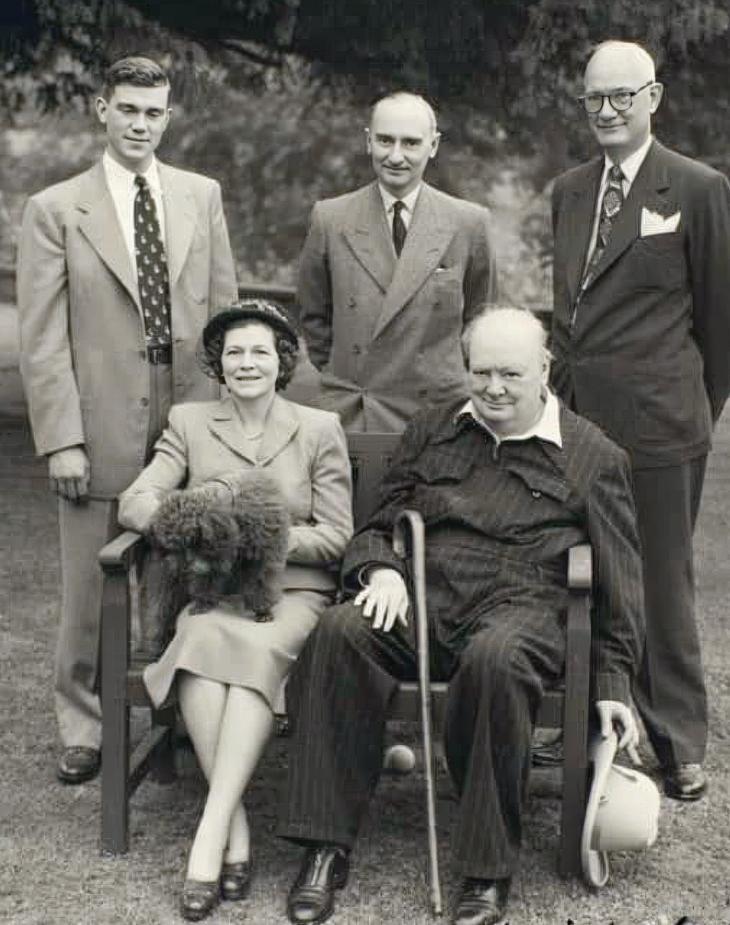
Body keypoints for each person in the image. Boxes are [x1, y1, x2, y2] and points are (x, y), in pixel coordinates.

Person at [279, 306, 644, 925]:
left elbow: (619, 581)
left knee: (496, 662)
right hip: (425, 596)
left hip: (523, 606)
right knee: (340, 632)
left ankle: (486, 871)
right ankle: (324, 845)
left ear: (544, 369)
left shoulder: (593, 456)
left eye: (511, 374)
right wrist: (381, 570)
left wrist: (612, 681)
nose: (494, 388)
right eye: (481, 373)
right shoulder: (434, 428)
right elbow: (378, 524)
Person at [16, 54, 238, 786]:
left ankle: (179, 716)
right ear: (102, 110)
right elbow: (42, 339)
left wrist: (226, 421)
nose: (141, 124)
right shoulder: (56, 208)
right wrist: (63, 440)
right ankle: (85, 723)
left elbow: (225, 315)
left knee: (187, 577)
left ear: (168, 116)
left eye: (154, 112)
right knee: (91, 585)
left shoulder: (200, 196)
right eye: (129, 110)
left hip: (188, 406)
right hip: (100, 411)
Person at [118, 300, 353, 921]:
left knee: (248, 650)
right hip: (214, 592)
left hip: (292, 594)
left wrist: (262, 534)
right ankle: (236, 827)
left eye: (260, 352)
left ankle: (210, 831)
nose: (247, 363)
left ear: (282, 362)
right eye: (234, 353)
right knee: (199, 642)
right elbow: (135, 502)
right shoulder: (190, 421)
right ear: (218, 364)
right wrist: (196, 519)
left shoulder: (318, 428)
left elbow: (336, 535)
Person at [551, 40, 730, 801]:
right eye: (594, 97)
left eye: (622, 95)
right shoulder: (568, 190)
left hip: (662, 423)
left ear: (653, 97)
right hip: (575, 421)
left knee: (659, 581)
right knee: (573, 568)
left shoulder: (697, 186)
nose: (607, 110)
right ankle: (578, 716)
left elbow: (720, 321)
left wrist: (690, 408)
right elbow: (570, 311)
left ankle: (678, 738)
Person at [294, 91, 496, 431]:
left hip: (438, 411)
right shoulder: (331, 218)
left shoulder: (468, 222)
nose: (396, 156)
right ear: (368, 142)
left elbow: (481, 320)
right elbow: (313, 314)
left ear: (433, 145)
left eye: (411, 143)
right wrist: (344, 375)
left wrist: (445, 377)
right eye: (385, 141)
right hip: (357, 409)